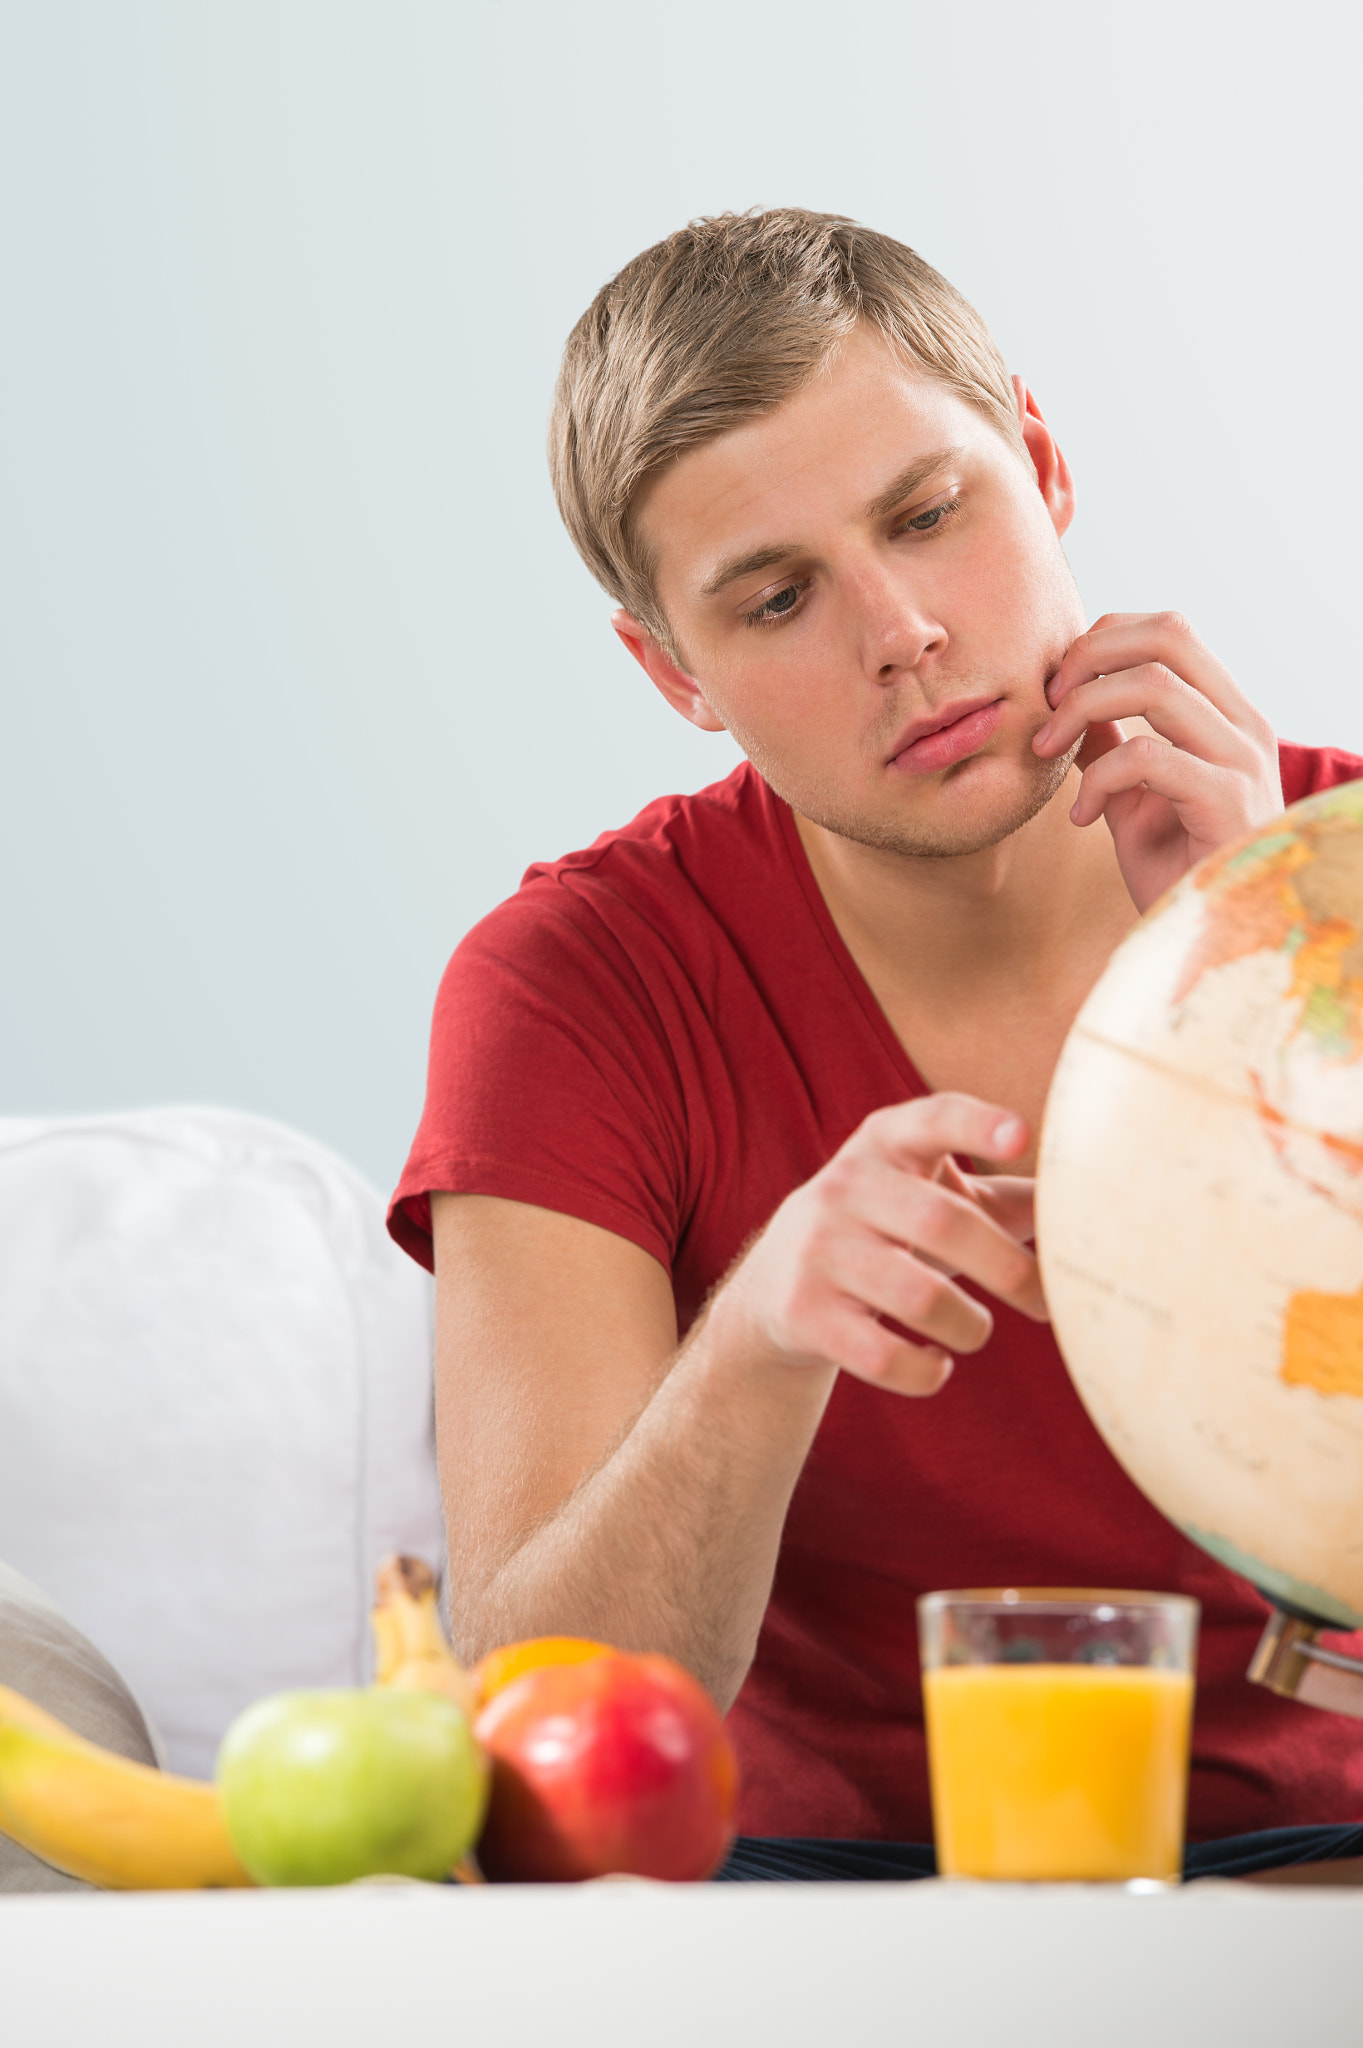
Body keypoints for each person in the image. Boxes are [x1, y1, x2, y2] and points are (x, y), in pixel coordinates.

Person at [390, 209, 1363, 1862]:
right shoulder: (578, 985)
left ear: (1040, 460)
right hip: (809, 1913)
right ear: (673, 671)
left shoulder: (1329, 873)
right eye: (775, 601)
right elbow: (540, 1726)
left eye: (929, 513)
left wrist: (1273, 980)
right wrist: (757, 1338)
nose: (900, 629)